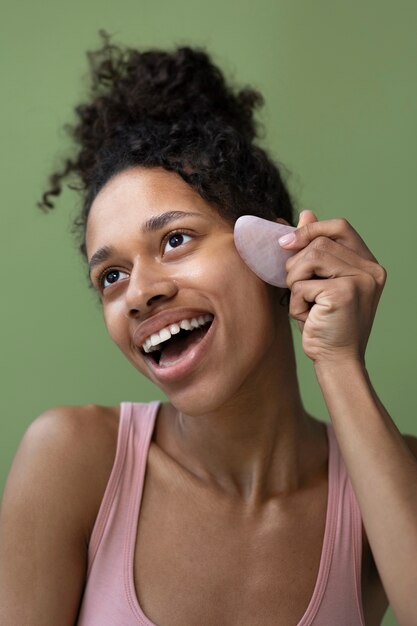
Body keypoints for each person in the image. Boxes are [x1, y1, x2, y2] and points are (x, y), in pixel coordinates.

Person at [1, 32, 416, 626]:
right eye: (112, 276)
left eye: (175, 240)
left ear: (275, 250)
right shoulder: (73, 460)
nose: (140, 293)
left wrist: (341, 362)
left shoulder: (388, 485)